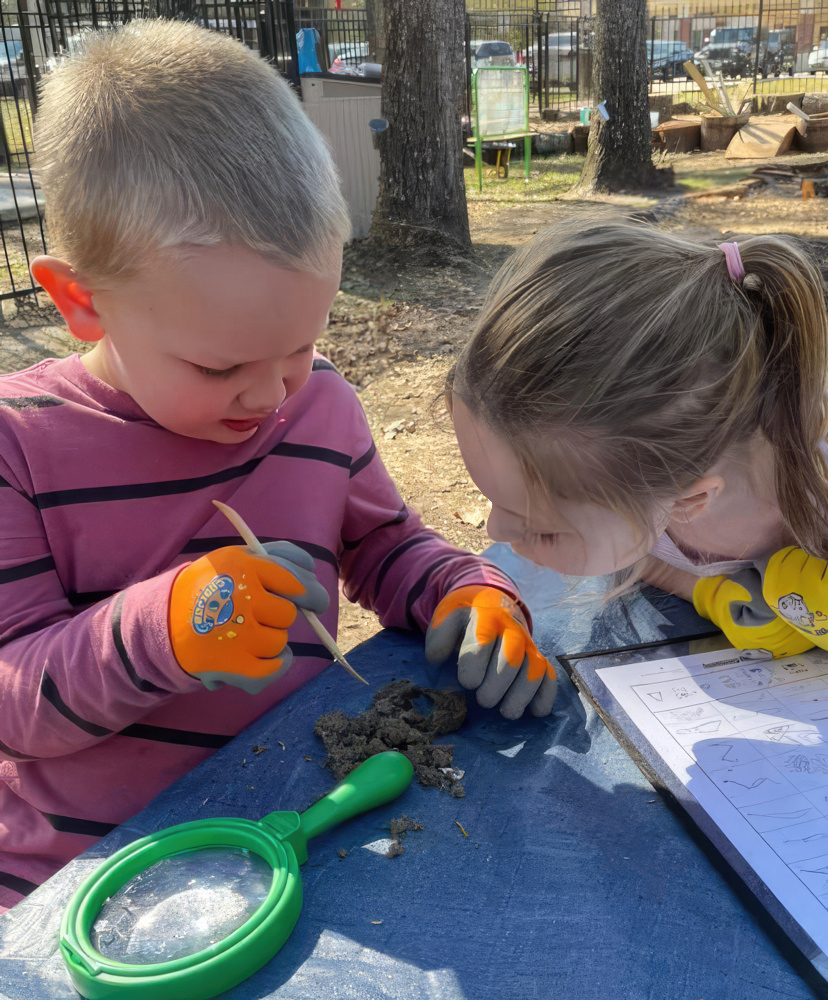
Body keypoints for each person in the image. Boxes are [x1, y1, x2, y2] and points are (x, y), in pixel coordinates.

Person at [0, 20, 555, 914]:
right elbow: (14, 698)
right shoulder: (18, 445)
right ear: (80, 301)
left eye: (300, 343)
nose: (270, 394)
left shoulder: (320, 404)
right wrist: (166, 630)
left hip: (299, 818)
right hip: (90, 875)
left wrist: (469, 594)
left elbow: (384, 544)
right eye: (219, 367)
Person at [447, 217, 828, 668]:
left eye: (542, 528)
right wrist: (709, 592)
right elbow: (646, 559)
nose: (494, 531)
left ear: (690, 501)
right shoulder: (644, 491)